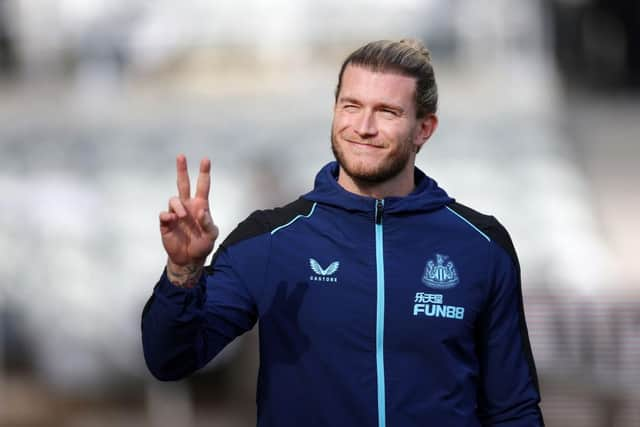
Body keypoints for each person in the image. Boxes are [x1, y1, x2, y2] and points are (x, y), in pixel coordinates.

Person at [141, 39, 545, 426]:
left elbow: (512, 408)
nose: (363, 126)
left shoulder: (480, 244)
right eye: (351, 106)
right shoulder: (270, 240)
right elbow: (169, 360)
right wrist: (183, 272)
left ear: (424, 128)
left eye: (387, 111)